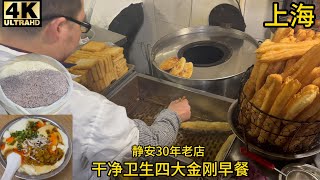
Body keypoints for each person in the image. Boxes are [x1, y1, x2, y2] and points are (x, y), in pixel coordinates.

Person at [0, 0, 191, 179]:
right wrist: (173, 115)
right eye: (82, 24)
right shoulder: (83, 107)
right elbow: (150, 144)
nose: (82, 35)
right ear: (58, 28)